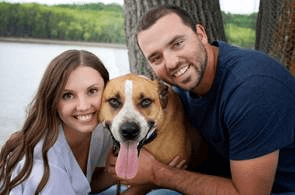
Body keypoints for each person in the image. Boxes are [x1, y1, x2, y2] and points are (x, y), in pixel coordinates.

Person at [107, 5, 295, 195]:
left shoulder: (252, 90)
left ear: (201, 34)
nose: (171, 62)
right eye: (156, 58)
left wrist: (158, 173)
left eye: (177, 43)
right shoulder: (185, 86)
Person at [0, 50, 117, 195]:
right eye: (68, 95)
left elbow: (81, 187)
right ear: (53, 101)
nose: (83, 106)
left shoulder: (102, 130)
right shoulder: (47, 166)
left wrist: (113, 174)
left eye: (92, 91)